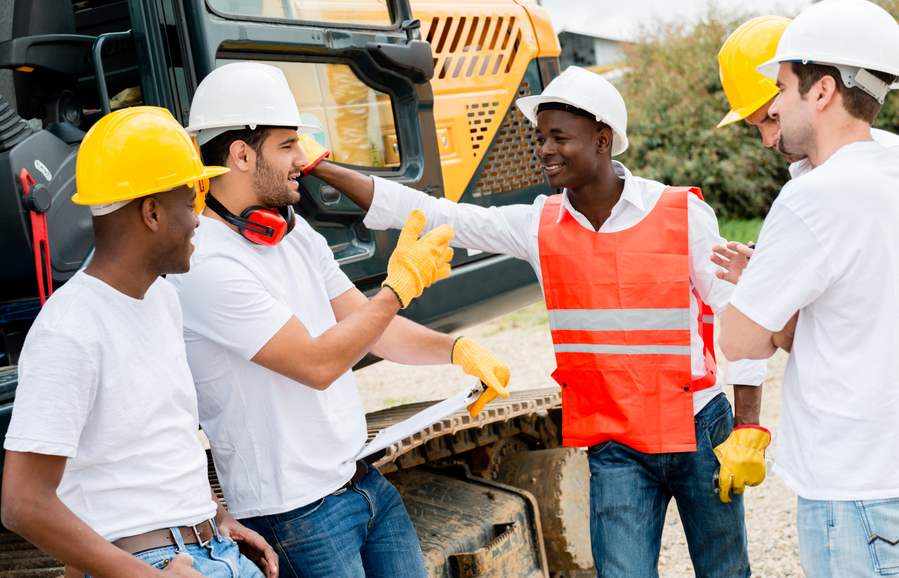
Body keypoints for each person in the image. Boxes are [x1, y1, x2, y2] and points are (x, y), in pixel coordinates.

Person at [305, 65, 770, 577]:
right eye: (540, 137)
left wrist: (747, 425)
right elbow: (435, 213)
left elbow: (735, 308)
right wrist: (322, 167)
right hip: (616, 444)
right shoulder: (539, 225)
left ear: (603, 139)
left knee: (726, 571)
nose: (543, 149)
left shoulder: (680, 213)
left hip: (699, 428)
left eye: (558, 137)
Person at [168, 63, 511, 578]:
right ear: (240, 154)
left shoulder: (294, 232)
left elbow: (370, 327)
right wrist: (396, 290)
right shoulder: (207, 264)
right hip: (294, 514)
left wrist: (456, 349)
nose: (302, 160)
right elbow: (317, 363)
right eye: (287, 145)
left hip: (362, 482)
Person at [0, 107, 278, 578]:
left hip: (209, 551)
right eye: (189, 203)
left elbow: (160, 438)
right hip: (148, 566)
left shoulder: (163, 298)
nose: (199, 221)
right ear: (151, 212)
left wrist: (215, 517)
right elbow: (23, 504)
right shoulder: (70, 328)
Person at [720, 0, 899, 578]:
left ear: (820, 92)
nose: (778, 109)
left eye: (783, 87)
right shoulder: (891, 164)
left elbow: (739, 341)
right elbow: (858, 315)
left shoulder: (812, 198)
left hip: (852, 490)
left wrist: (762, 286)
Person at [711, 15, 899, 282]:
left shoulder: (890, 163)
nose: (767, 141)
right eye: (756, 127)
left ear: (813, 90)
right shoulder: (805, 177)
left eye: (771, 118)